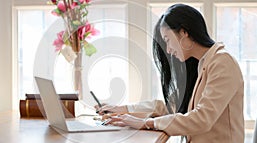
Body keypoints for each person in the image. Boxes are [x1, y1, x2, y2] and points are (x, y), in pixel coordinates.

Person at [96, 3, 244, 143]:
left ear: (184, 32)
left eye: (167, 39)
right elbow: (169, 106)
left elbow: (202, 119)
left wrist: (147, 123)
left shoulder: (222, 62)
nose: (168, 50)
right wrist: (124, 110)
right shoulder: (204, 63)